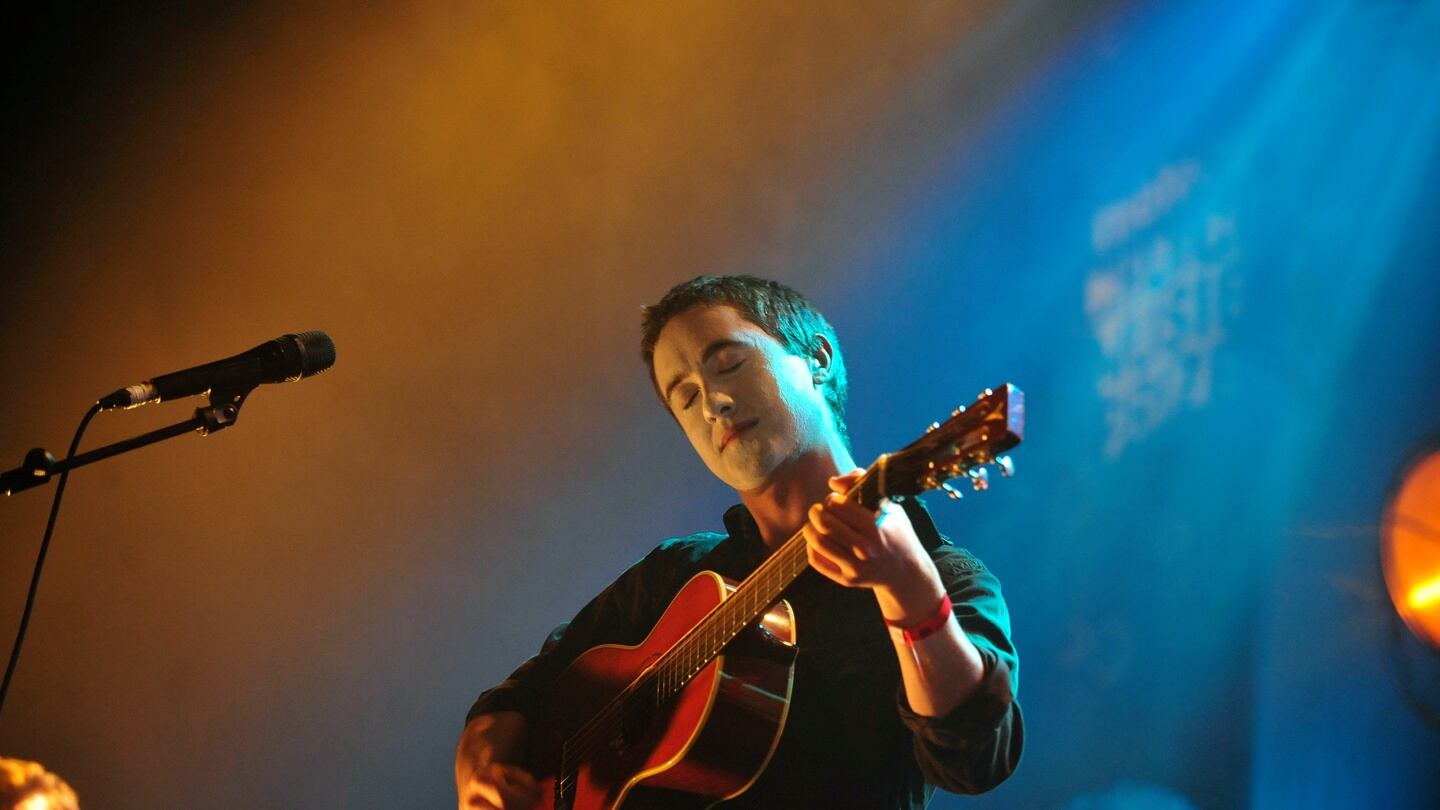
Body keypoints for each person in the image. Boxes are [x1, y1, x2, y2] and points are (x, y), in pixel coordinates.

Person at [455, 275, 1022, 808]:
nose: (711, 403)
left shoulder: (946, 577)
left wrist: (909, 588)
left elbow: (973, 761)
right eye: (684, 397)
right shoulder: (673, 575)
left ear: (817, 360)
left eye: (728, 364)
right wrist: (480, 769)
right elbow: (527, 693)